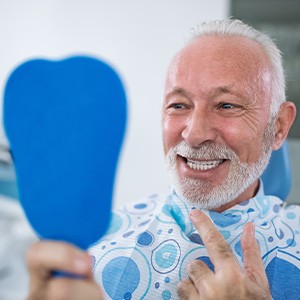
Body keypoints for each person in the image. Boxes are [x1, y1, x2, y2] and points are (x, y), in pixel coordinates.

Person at [26, 19, 299, 300]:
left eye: (227, 105)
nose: (194, 134)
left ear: (278, 126)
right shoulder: (93, 247)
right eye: (179, 105)